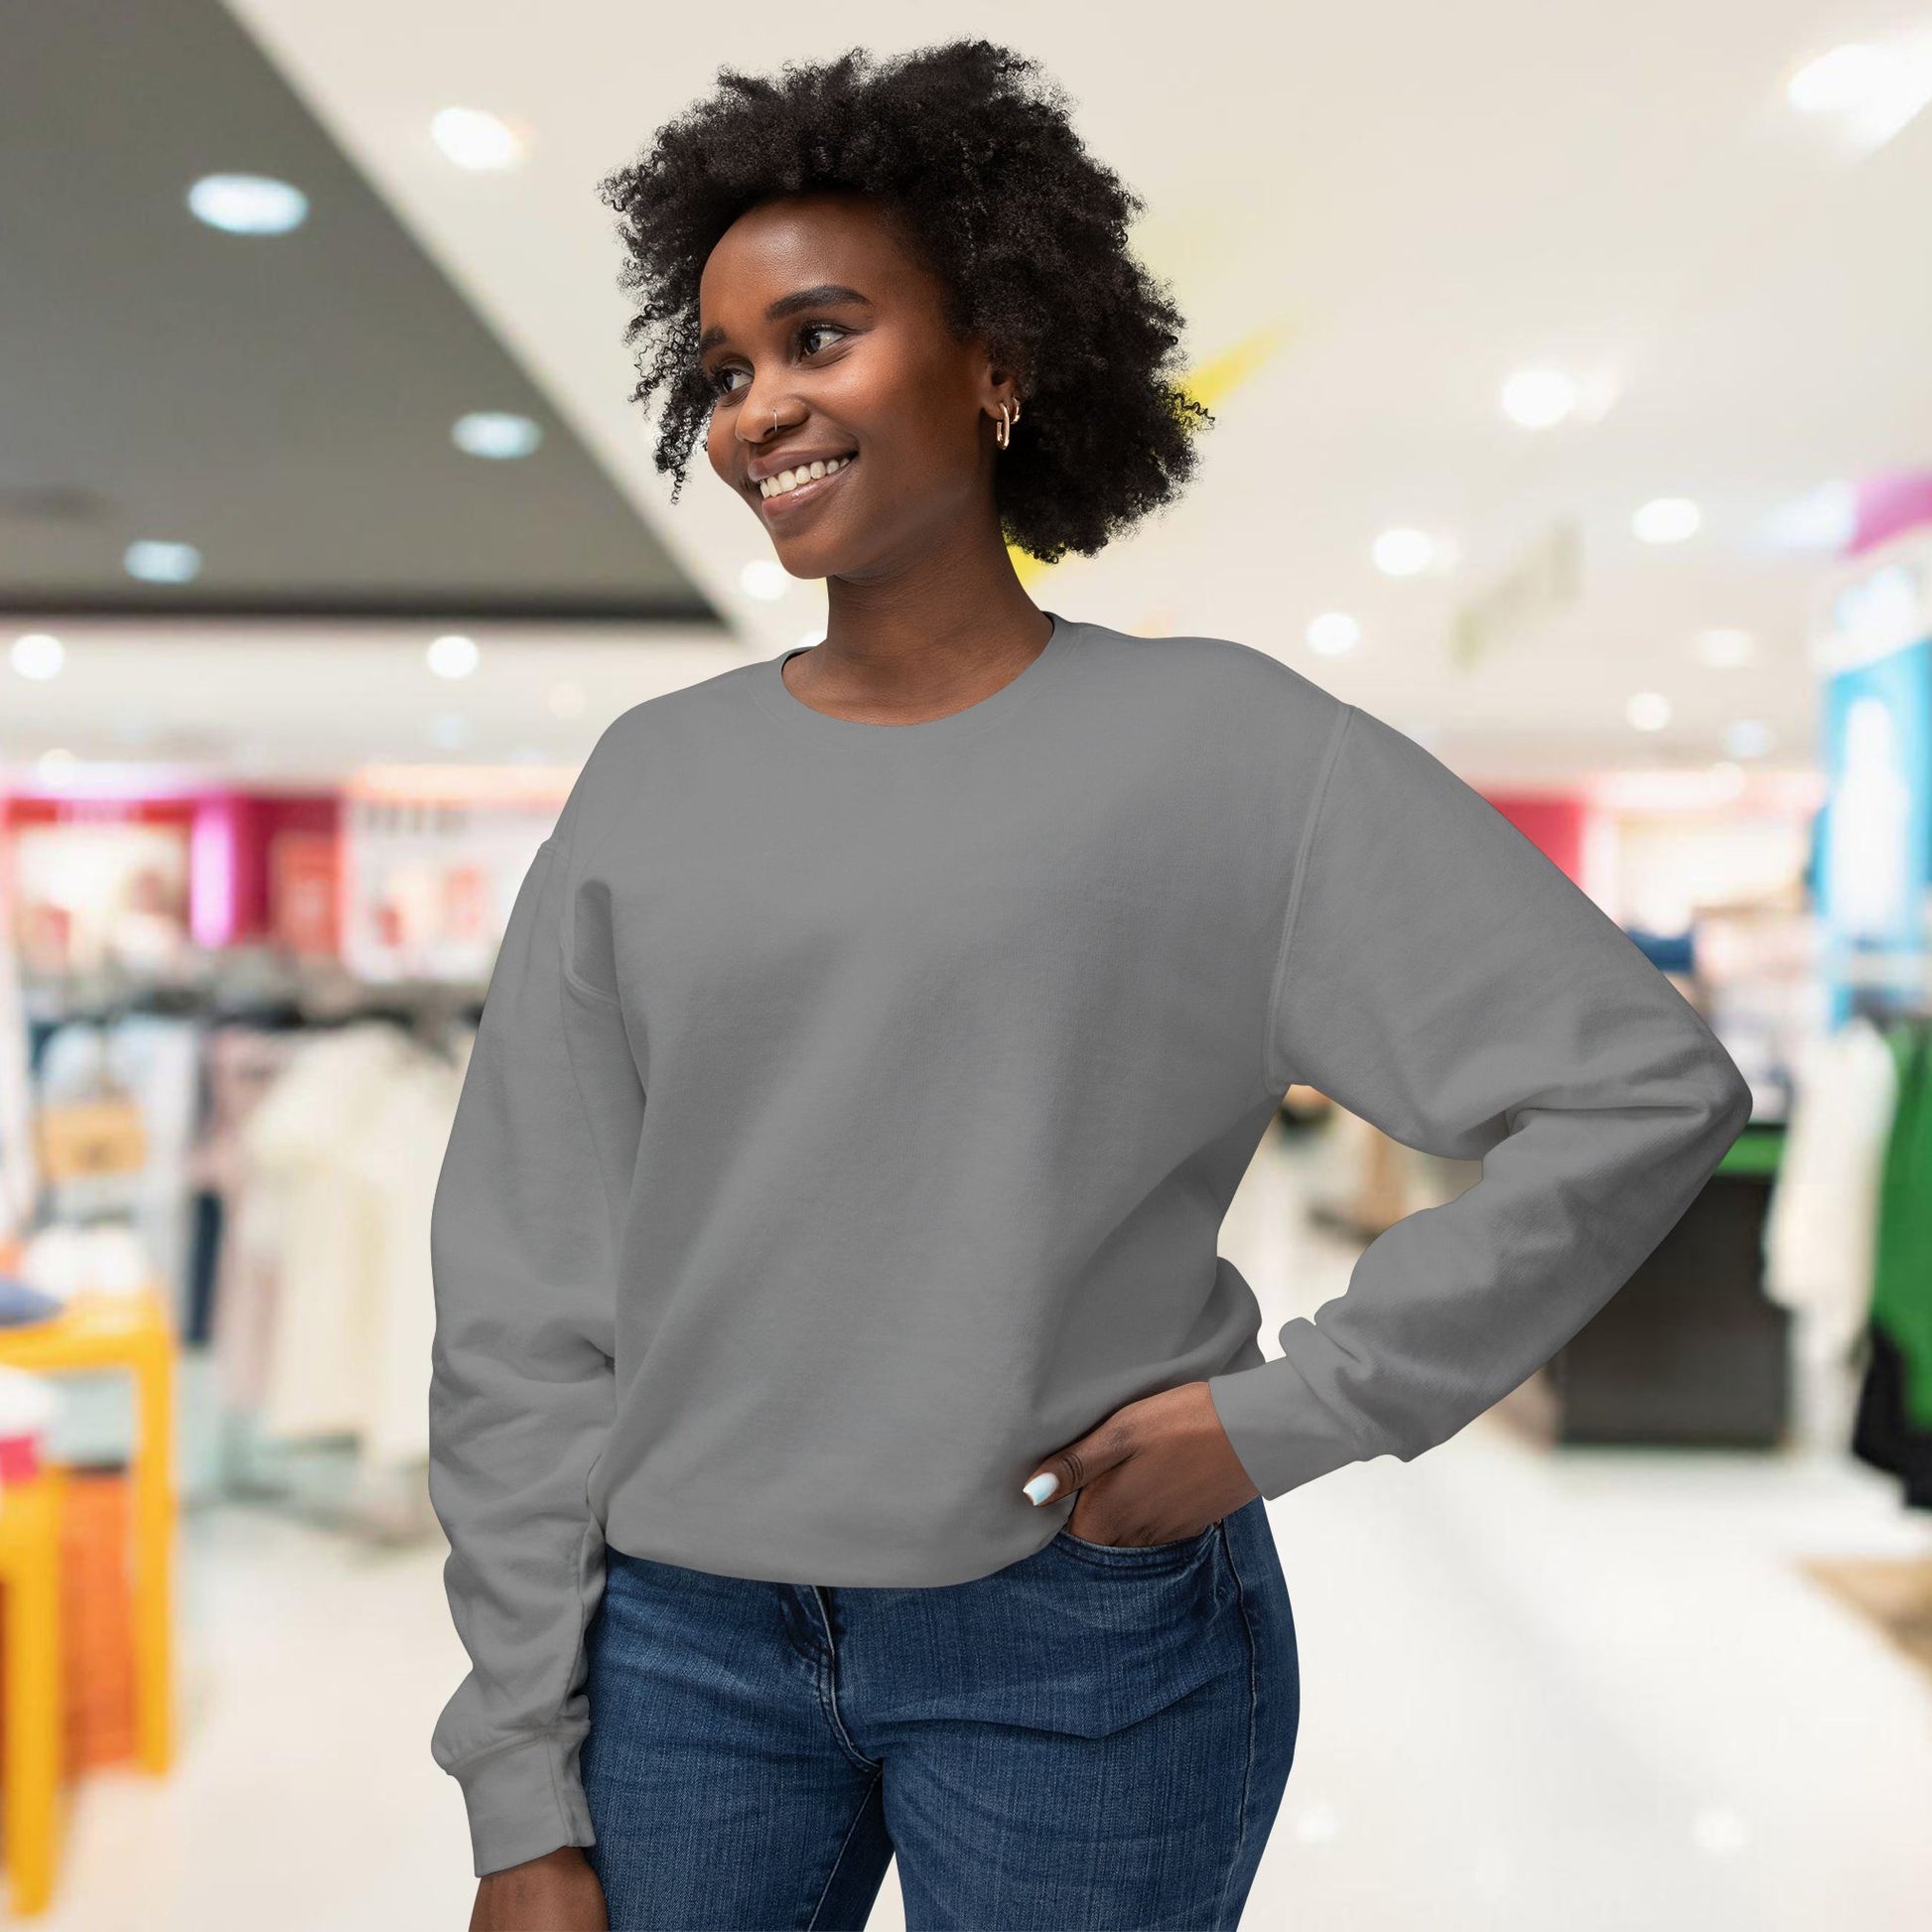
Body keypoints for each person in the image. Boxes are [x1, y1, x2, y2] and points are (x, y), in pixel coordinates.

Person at [427, 40, 1752, 1932]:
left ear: (996, 356)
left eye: (817, 336)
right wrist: (513, 1782)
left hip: (1084, 1642)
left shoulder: (1227, 751)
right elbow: (521, 1292)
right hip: (681, 1649)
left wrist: (1305, 1406)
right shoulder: (653, 777)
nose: (753, 411)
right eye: (721, 370)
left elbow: (1637, 1086)